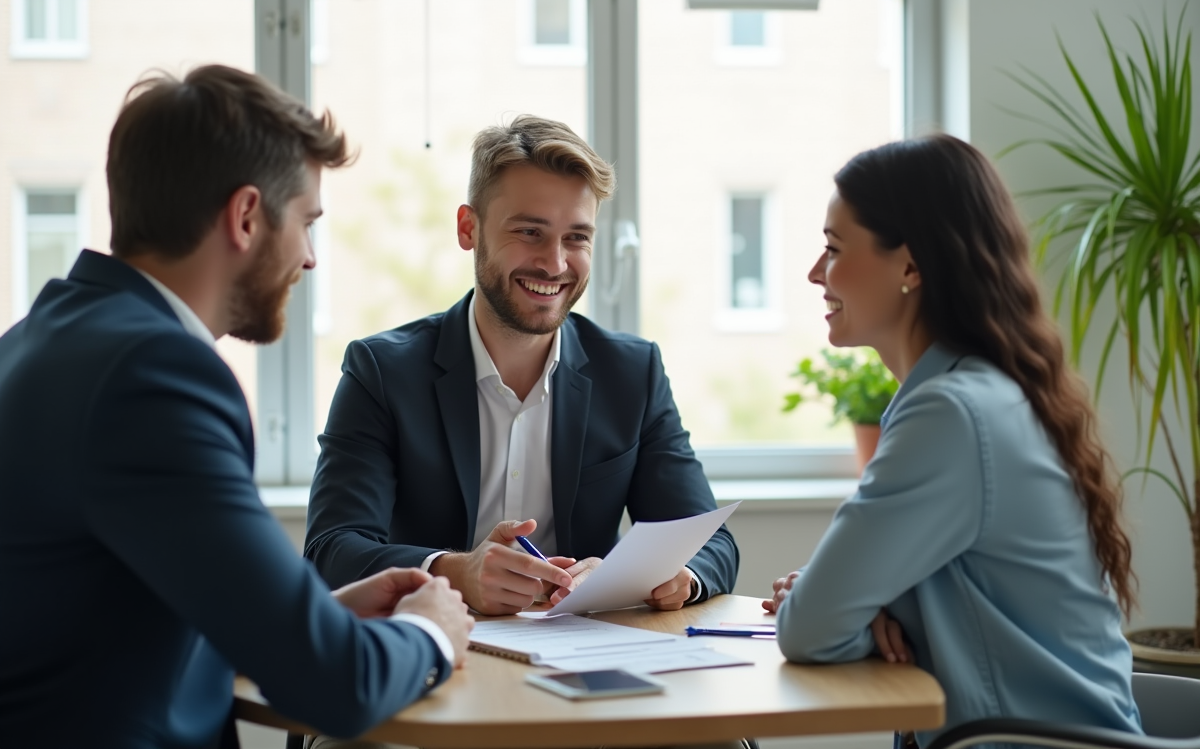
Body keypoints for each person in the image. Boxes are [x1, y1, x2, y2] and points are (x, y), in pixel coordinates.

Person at [0, 65, 474, 749]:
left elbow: (107, 618)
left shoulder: (40, 338)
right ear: (247, 215)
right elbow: (338, 687)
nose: (309, 258)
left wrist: (320, 616)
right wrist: (431, 629)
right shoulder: (156, 376)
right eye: (307, 222)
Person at [764, 134, 1142, 744]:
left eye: (834, 248)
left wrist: (845, 610)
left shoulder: (950, 415)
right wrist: (857, 606)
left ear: (910, 265)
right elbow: (836, 604)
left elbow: (810, 628)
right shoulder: (980, 393)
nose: (815, 273)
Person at [305, 115, 738, 617]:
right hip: (432, 652)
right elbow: (331, 551)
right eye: (530, 232)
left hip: (584, 657)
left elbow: (712, 544)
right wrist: (453, 570)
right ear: (469, 229)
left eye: (576, 237)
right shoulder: (382, 372)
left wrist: (651, 576)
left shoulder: (632, 372)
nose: (554, 264)